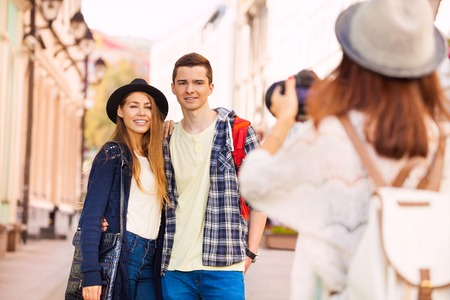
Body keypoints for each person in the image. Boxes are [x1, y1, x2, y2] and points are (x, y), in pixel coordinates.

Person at [238, 0, 450, 299]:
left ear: (353, 59)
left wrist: (284, 121)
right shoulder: (440, 135)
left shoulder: (333, 132)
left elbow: (254, 183)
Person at [159, 52, 267, 299]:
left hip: (224, 267)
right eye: (183, 83)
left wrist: (250, 253)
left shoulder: (238, 131)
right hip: (175, 267)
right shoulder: (166, 138)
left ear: (210, 87)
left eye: (198, 83)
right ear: (173, 88)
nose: (190, 90)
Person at [79, 78, 169, 300]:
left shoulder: (158, 156)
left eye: (148, 107)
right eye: (133, 106)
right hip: (123, 252)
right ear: (120, 111)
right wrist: (90, 274)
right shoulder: (112, 153)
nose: (142, 113)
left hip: (152, 257)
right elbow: (90, 217)